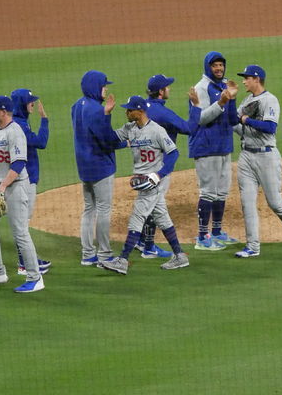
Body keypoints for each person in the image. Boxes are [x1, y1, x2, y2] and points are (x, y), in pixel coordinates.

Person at [97, 96, 191, 274]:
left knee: (137, 218)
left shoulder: (157, 130)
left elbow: (173, 153)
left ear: (139, 111)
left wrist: (158, 175)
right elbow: (109, 138)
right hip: (142, 180)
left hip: (152, 182)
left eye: (129, 110)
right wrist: (106, 114)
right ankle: (180, 256)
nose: (126, 112)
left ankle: (123, 260)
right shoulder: (130, 128)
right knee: (162, 218)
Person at [232, 65, 282, 258]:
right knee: (247, 203)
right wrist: (229, 99)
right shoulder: (247, 100)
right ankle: (252, 246)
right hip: (246, 156)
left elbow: (270, 127)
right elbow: (234, 119)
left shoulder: (270, 100)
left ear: (257, 79)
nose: (243, 81)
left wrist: (246, 121)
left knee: (274, 202)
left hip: (267, 156)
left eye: (246, 78)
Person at [0, 96, 43, 292]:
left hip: (15, 186)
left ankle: (35, 278)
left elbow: (19, 163)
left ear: (3, 112)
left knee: (20, 232)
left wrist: (2, 188)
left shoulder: (15, 132)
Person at [136, 74, 201, 259]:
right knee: (155, 205)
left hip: (142, 162)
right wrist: (195, 106)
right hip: (159, 167)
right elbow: (190, 129)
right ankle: (149, 247)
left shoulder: (142, 108)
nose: (169, 90)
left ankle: (141, 241)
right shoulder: (163, 113)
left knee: (146, 202)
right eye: (167, 87)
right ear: (161, 92)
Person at [72, 71, 127, 265]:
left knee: (89, 209)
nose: (106, 89)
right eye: (104, 85)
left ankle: (87, 254)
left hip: (84, 166)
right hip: (100, 165)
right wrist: (124, 142)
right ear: (95, 86)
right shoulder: (97, 110)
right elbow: (106, 139)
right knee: (103, 209)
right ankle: (104, 254)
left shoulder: (77, 105)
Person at [190, 52, 240, 251]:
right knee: (209, 192)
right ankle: (202, 237)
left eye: (221, 65)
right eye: (215, 66)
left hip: (223, 145)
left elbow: (231, 117)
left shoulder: (225, 85)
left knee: (221, 192)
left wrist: (231, 99)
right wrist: (221, 102)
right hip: (206, 147)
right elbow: (200, 118)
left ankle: (217, 232)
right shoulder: (201, 88)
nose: (219, 69)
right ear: (207, 67)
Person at [10, 88, 52, 276]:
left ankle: (27, 259)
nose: (33, 104)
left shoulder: (19, 123)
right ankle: (24, 263)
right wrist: (45, 120)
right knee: (22, 222)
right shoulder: (19, 125)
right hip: (25, 179)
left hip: (27, 177)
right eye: (30, 101)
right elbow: (41, 142)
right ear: (21, 104)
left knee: (22, 222)